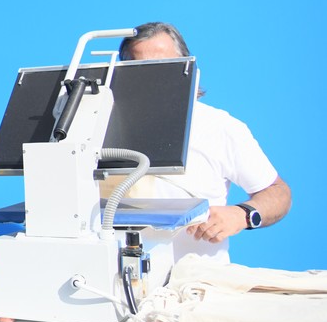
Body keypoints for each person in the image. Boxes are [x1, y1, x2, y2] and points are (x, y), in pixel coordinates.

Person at [116, 22, 292, 260]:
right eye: (140, 69)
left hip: (196, 277)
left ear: (187, 67)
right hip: (110, 278)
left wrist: (241, 215)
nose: (153, 78)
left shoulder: (219, 127)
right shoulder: (93, 129)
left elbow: (277, 192)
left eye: (163, 66)